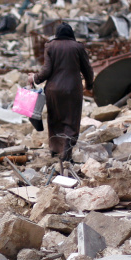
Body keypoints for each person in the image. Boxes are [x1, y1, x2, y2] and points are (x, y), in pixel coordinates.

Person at [30, 23, 94, 163]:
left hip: (53, 90)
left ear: (57, 34)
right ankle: (66, 154)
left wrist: (35, 78)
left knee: (55, 119)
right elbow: (87, 70)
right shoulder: (78, 47)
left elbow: (46, 71)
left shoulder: (50, 46)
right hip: (72, 90)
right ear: (71, 34)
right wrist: (89, 84)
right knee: (71, 121)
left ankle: (55, 150)